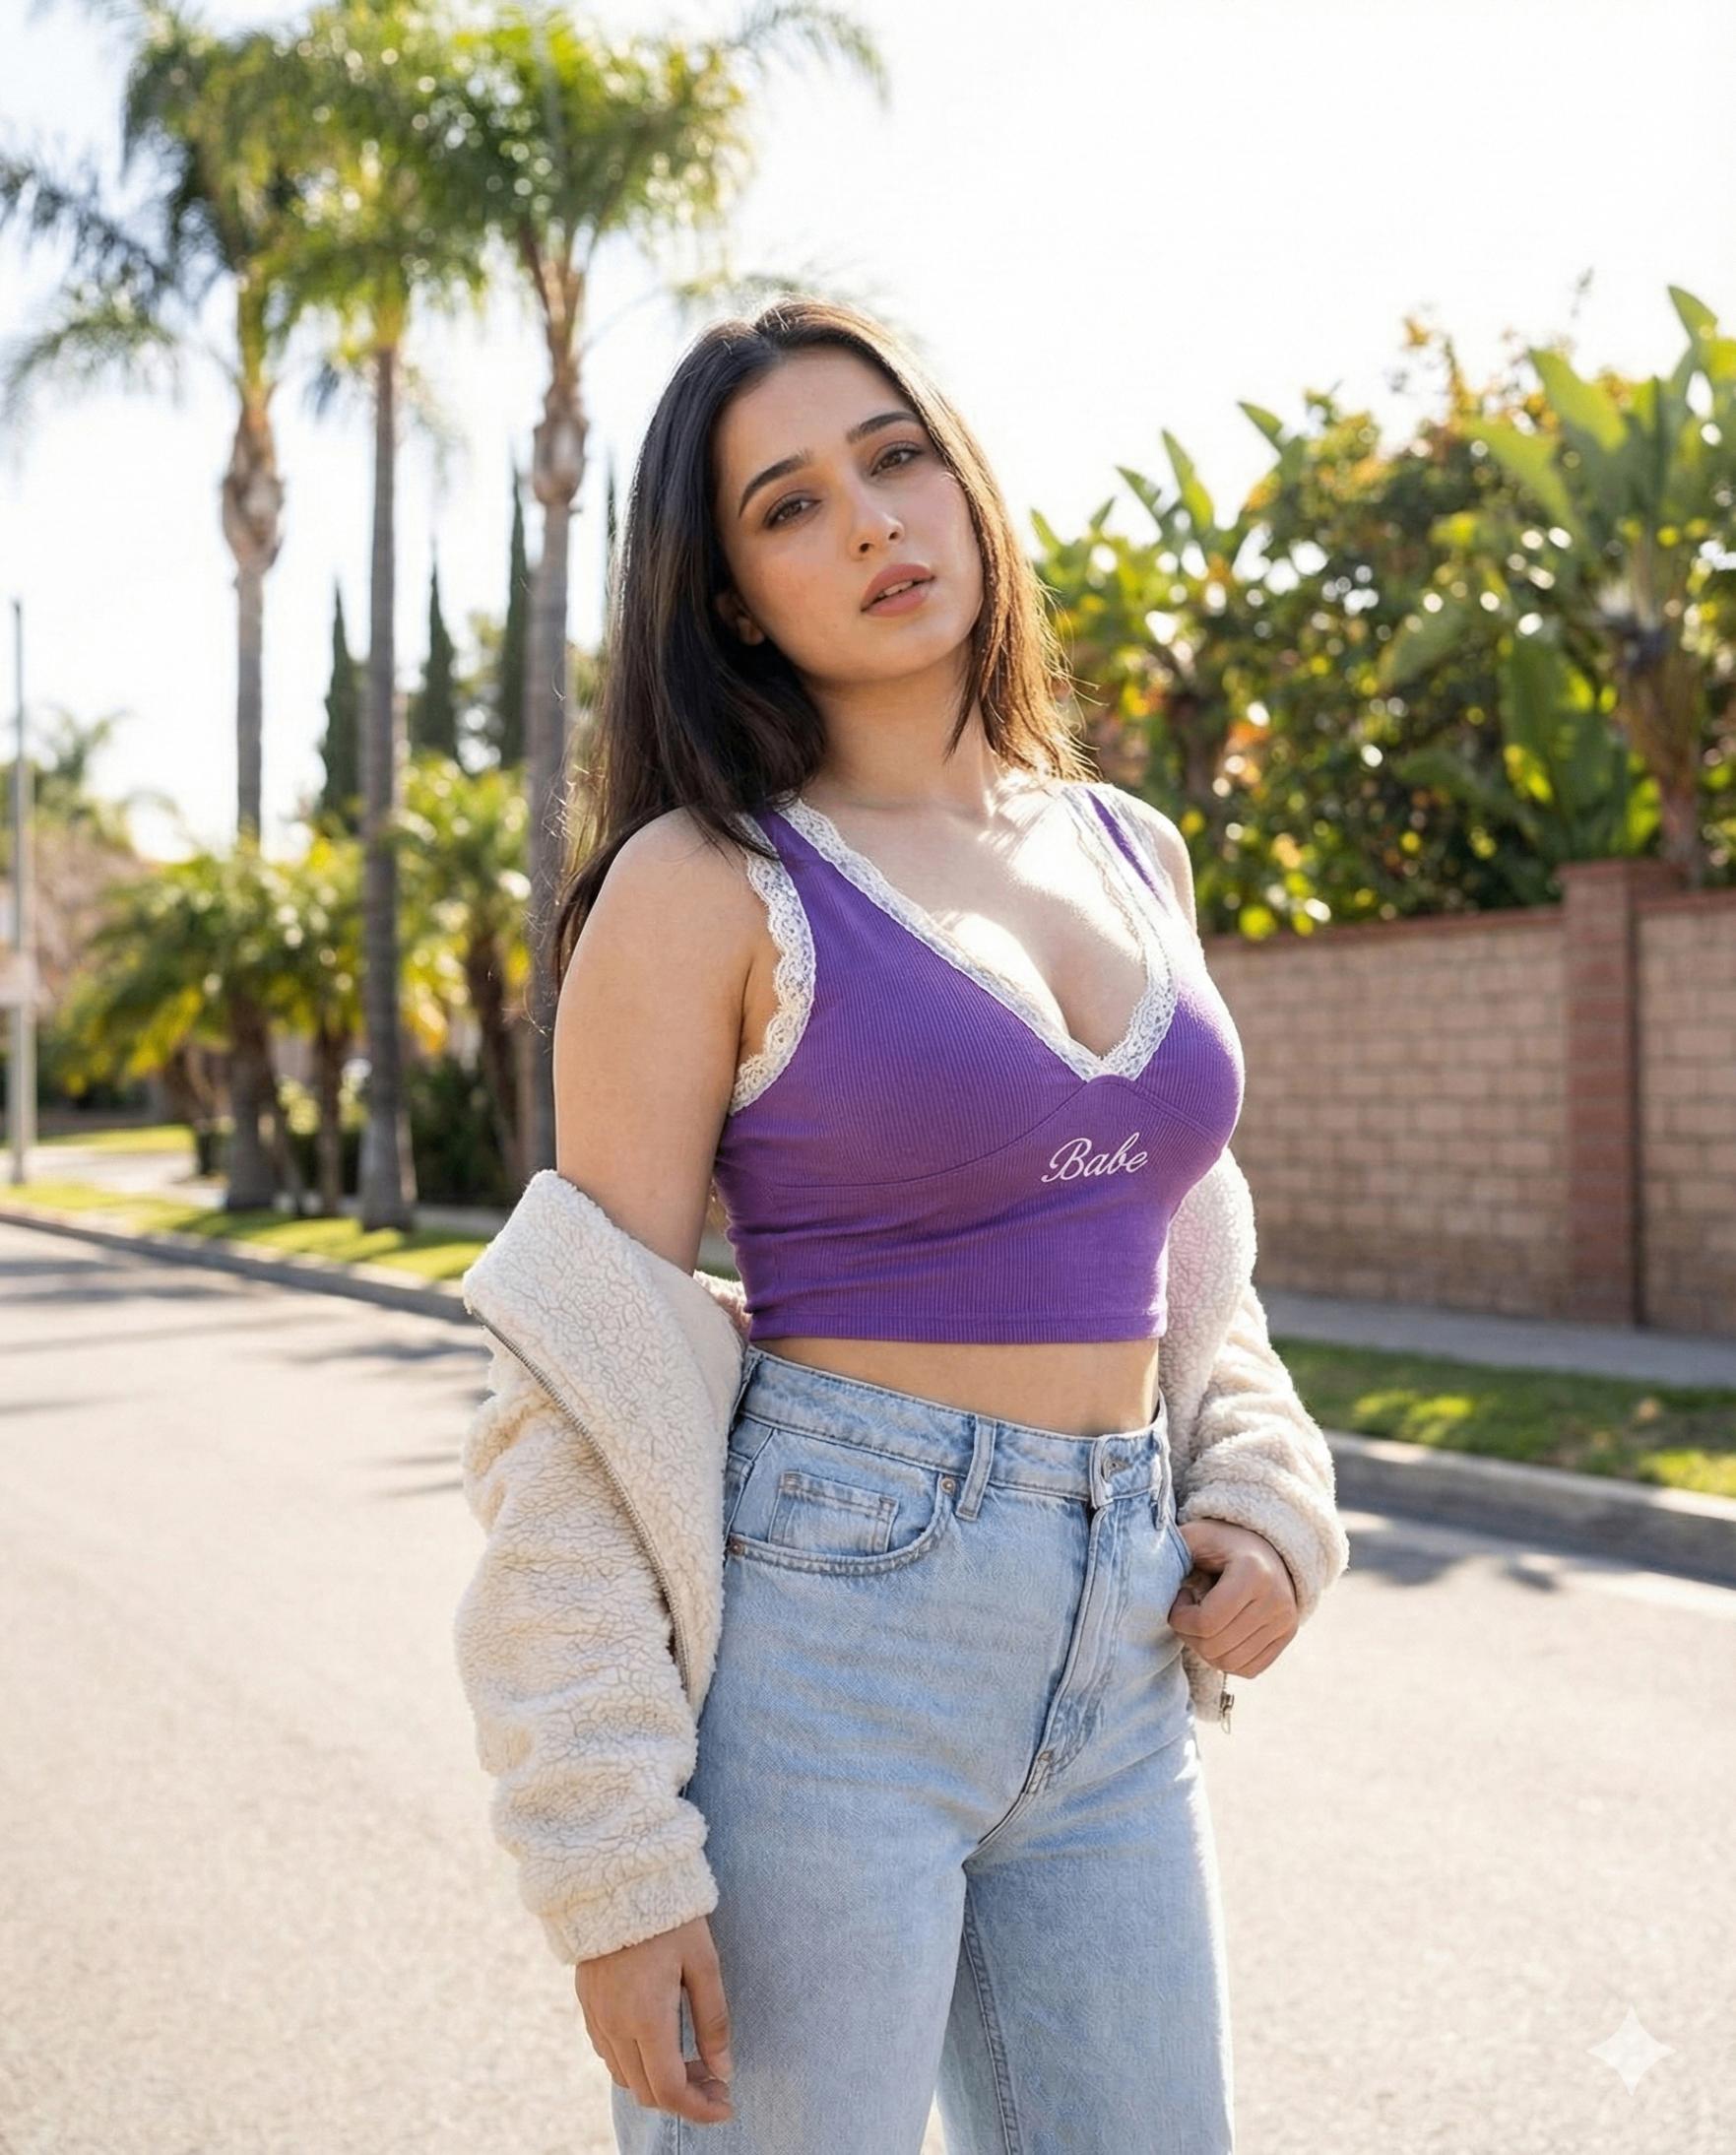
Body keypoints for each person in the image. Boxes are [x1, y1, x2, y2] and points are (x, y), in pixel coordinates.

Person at [461, 295, 1348, 2153]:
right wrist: (612, 1861)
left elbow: (1197, 1255)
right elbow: (575, 1389)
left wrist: (1260, 1484)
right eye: (786, 507)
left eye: (894, 456)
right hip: (826, 1649)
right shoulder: (703, 885)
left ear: (962, 478)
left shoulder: (1129, 846)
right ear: (727, 599)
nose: (870, 522)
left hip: (1115, 1662)